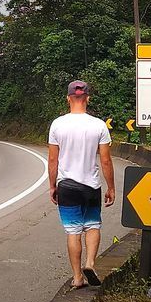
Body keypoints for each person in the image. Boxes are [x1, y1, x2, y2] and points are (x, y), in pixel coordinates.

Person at [47, 80, 115, 288]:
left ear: (68, 98)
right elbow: (105, 160)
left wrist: (52, 186)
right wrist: (111, 187)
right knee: (93, 226)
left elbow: (52, 160)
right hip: (91, 186)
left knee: (73, 231)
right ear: (88, 98)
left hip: (67, 185)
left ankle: (77, 277)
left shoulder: (57, 124)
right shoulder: (98, 125)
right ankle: (90, 263)